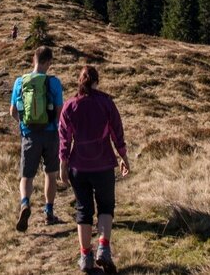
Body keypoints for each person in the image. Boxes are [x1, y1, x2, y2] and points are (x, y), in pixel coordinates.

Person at [58, 65, 130, 274]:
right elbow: (117, 132)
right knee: (106, 207)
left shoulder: (70, 106)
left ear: (79, 82)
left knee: (83, 210)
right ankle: (103, 249)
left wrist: (63, 164)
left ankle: (85, 257)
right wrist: (123, 157)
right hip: (104, 164)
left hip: (78, 166)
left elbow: (64, 139)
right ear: (97, 82)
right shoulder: (106, 103)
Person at [9, 45, 64, 231]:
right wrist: (54, 125)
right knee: (50, 174)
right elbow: (59, 111)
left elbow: (12, 111)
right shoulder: (54, 83)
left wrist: (24, 124)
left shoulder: (20, 82)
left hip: (29, 135)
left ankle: (25, 203)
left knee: (26, 176)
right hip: (50, 134)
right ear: (49, 62)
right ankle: (49, 212)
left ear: (34, 59)